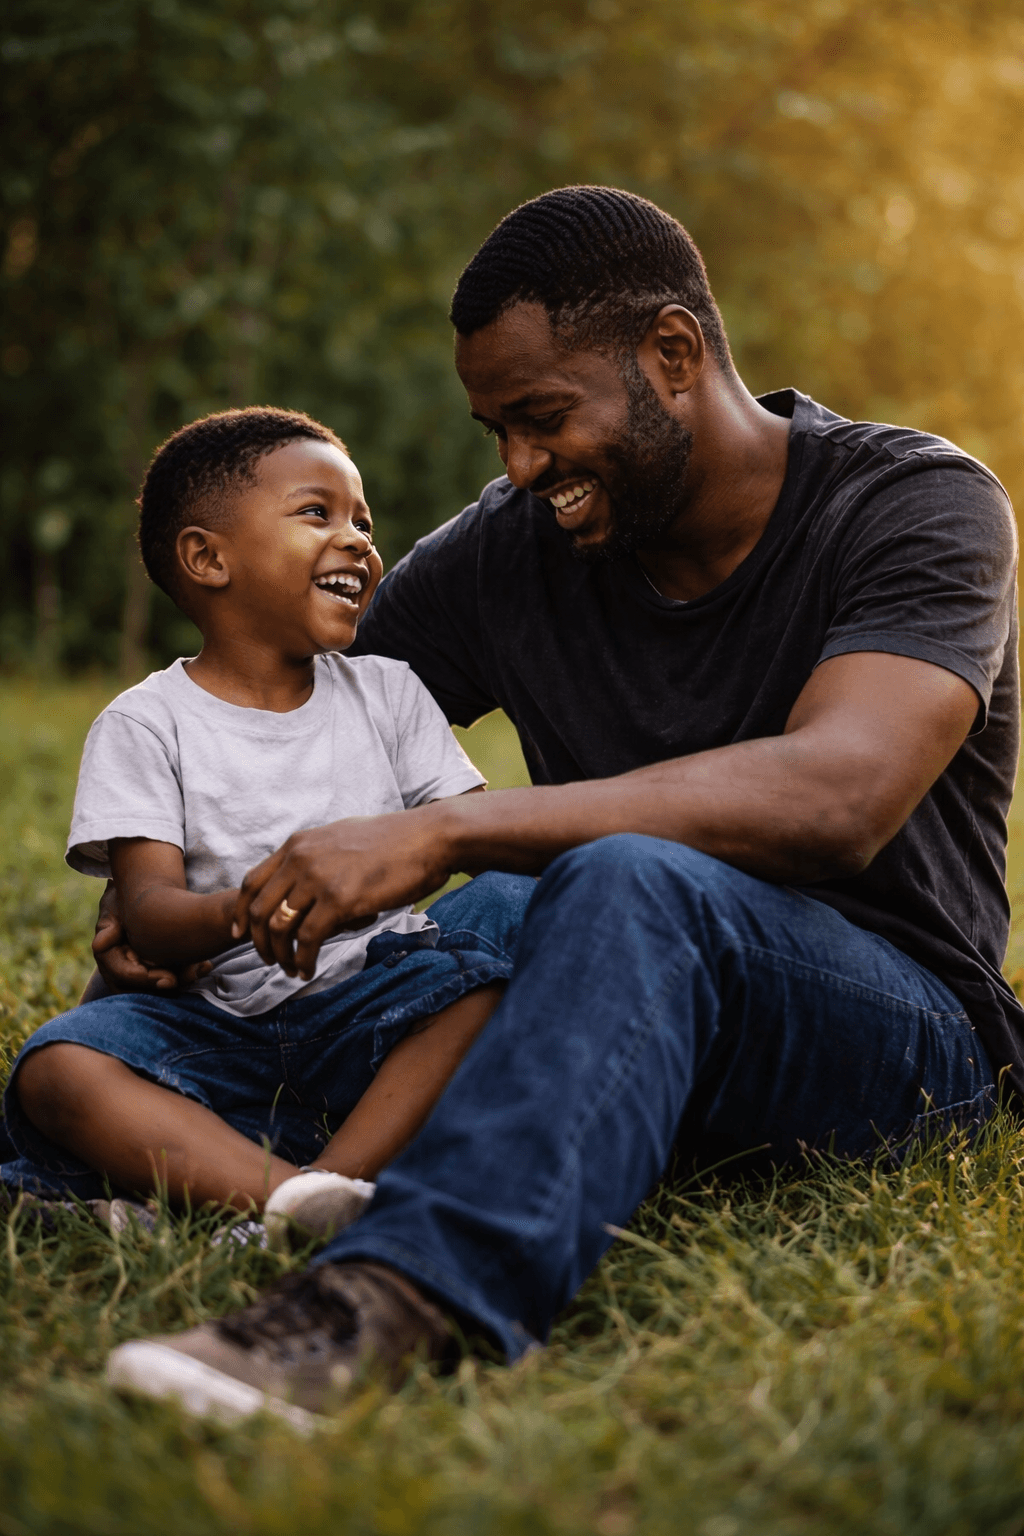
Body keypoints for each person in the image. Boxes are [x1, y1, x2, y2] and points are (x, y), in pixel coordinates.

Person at [97, 186, 1019, 1424]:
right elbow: (310, 708)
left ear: (673, 355)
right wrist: (188, 888)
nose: (520, 467)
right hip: (613, 982)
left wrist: (442, 827)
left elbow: (838, 794)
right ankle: (148, 1163)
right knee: (458, 937)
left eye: (541, 419)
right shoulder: (510, 547)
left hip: (900, 1032)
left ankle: (393, 1296)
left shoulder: (911, 504)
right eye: (496, 432)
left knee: (610, 876)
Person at [1, 406, 536, 1242]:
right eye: (316, 513)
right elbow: (148, 917)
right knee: (59, 1068)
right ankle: (294, 1198)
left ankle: (313, 1188)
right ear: (207, 557)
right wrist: (259, 908)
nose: (358, 539)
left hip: (381, 1004)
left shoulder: (389, 692)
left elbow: (477, 837)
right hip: (219, 1030)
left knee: (489, 981)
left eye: (363, 519)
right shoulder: (147, 724)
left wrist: (399, 870)